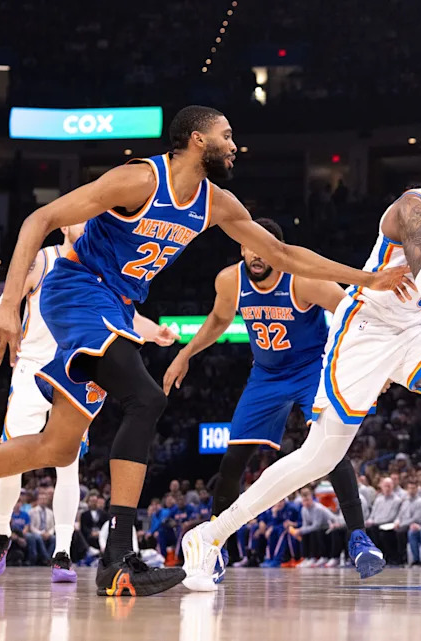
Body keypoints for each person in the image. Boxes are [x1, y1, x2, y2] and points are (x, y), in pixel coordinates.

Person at [0, 105, 406, 597]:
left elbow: (284, 254)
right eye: (226, 135)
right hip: (76, 289)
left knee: (58, 447)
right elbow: (38, 220)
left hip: (114, 306)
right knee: (146, 397)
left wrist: (368, 279)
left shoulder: (218, 204)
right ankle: (117, 559)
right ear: (198, 139)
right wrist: (7, 305)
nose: (235, 145)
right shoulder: (139, 180)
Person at [182, 138, 421, 589]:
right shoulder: (415, 209)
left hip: (414, 332)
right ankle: (209, 535)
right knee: (318, 457)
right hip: (365, 330)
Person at [164, 217, 397, 579]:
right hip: (267, 374)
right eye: (248, 245)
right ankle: (214, 546)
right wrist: (184, 354)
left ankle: (358, 537)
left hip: (312, 368)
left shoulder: (303, 279)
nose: (255, 254)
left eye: (263, 247)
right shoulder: (230, 280)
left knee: (330, 448)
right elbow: (217, 320)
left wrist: (372, 366)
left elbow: (353, 315)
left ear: (278, 249)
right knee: (233, 459)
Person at [0, 222, 174, 583]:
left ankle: (63, 551)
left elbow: (129, 315)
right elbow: (8, 301)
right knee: (12, 456)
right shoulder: (43, 260)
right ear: (65, 223)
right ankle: (1, 530)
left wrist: (155, 330)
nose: (88, 222)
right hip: (33, 368)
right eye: (82, 217)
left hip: (77, 367)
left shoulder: (104, 263)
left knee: (69, 465)